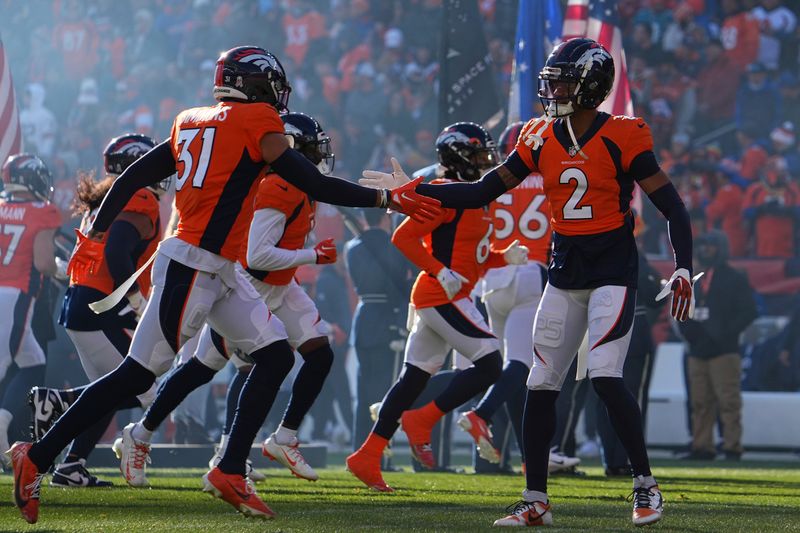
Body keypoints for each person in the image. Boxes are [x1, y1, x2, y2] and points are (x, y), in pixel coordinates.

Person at [8, 45, 439, 524]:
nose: (279, 95)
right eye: (273, 85)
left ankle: (230, 468)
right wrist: (385, 199)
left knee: (276, 354)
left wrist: (98, 225)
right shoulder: (256, 120)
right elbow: (313, 184)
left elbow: (135, 172)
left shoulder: (190, 118)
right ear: (254, 84)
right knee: (136, 376)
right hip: (194, 263)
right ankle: (39, 455)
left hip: (220, 266)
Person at [371, 38, 696, 527]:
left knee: (606, 377)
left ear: (590, 85)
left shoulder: (623, 135)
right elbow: (482, 190)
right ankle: (536, 499)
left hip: (612, 270)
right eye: (553, 80)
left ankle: (645, 485)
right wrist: (415, 187)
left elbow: (671, 205)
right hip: (563, 273)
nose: (554, 89)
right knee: (540, 382)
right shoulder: (539, 135)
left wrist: (682, 266)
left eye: (564, 80)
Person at [118, 112, 341, 485]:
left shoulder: (296, 184)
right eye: (313, 148)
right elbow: (257, 255)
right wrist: (313, 256)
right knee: (205, 367)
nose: (320, 156)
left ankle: (281, 438)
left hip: (280, 285)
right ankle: (146, 435)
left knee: (318, 353)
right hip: (249, 286)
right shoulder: (277, 187)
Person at [346, 122, 528, 492]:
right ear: (457, 156)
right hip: (440, 294)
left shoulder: (473, 193)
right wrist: (438, 269)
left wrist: (500, 259)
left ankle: (367, 455)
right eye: (478, 154)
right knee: (492, 362)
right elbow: (403, 237)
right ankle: (422, 420)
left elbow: (469, 256)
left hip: (446, 292)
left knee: (413, 378)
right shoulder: (446, 191)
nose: (485, 161)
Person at [28, 134, 166, 488]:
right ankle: (61, 402)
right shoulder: (141, 198)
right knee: (143, 386)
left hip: (80, 305)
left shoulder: (103, 202)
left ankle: (72, 465)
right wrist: (137, 303)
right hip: (101, 307)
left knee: (106, 391)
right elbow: (118, 253)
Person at [461, 122, 578, 474]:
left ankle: (523, 457)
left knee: (504, 367)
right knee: (522, 365)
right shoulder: (548, 179)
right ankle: (480, 414)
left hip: (492, 277)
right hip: (529, 272)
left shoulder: (495, 181)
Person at [0, 155, 61, 468]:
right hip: (15, 296)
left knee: (32, 362)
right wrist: (64, 271)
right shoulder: (43, 211)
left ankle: (3, 423)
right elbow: (43, 264)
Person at [676, 231, 757, 461]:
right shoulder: (693, 279)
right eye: (702, 246)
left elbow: (749, 311)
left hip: (724, 350)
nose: (704, 250)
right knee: (699, 402)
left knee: (728, 401)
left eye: (710, 246)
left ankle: (732, 446)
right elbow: (681, 309)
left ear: (721, 248)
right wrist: (690, 334)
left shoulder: (735, 278)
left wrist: (724, 334)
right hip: (698, 350)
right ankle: (702, 446)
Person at [345, 209, 413, 452]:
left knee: (364, 392)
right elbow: (402, 283)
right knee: (384, 393)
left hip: (363, 319)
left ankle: (358, 447)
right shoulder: (393, 245)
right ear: (385, 218)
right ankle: (378, 453)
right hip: (387, 318)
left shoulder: (353, 247)